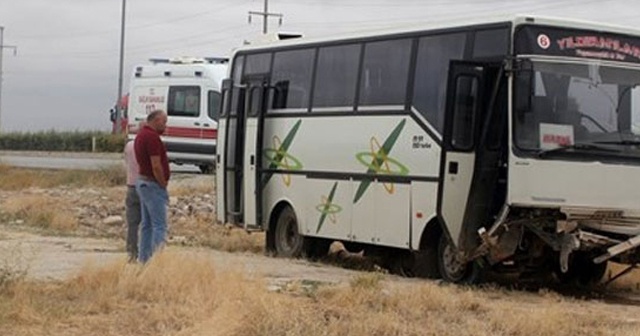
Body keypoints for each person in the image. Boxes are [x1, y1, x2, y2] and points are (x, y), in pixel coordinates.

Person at [134, 110, 170, 263]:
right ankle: (158, 261)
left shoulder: (141, 135)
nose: (165, 125)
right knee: (159, 226)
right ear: (155, 120)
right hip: (152, 185)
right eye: (164, 121)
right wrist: (162, 183)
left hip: (142, 183)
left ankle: (144, 260)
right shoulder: (152, 137)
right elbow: (156, 165)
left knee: (147, 225)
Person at [124, 138, 141, 262]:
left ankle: (132, 251)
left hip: (131, 185)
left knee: (132, 223)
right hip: (145, 186)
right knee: (148, 223)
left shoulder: (129, 145)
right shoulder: (149, 143)